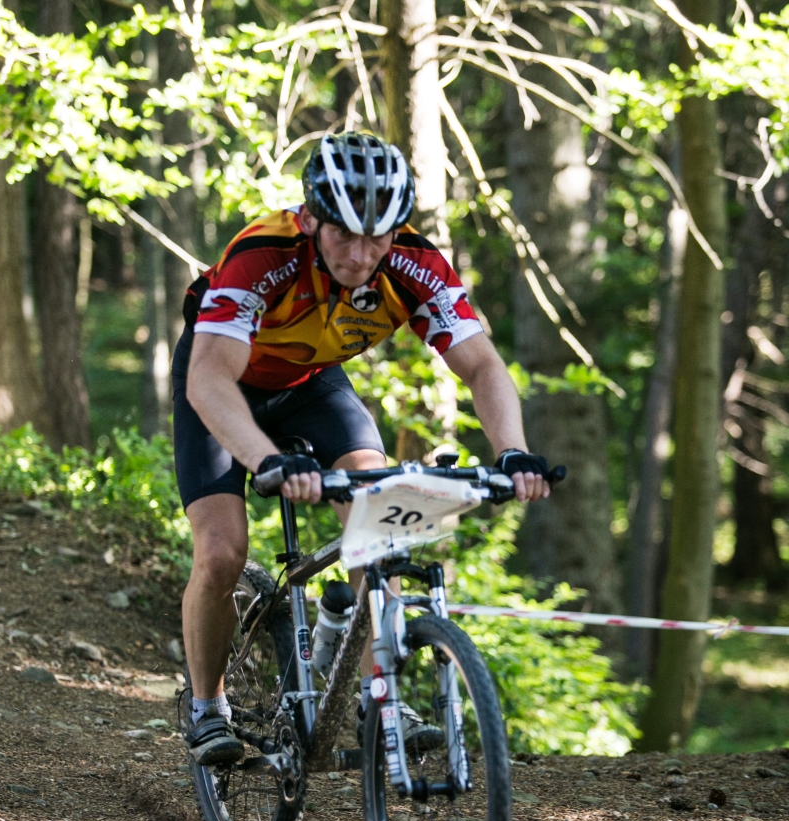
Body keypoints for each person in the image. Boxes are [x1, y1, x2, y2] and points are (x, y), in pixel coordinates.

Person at [172, 131, 550, 765]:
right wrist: (267, 459)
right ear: (311, 219)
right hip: (220, 385)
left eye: (377, 237)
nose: (360, 253)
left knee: (381, 513)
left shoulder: (414, 264)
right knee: (221, 551)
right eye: (344, 235)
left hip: (312, 384)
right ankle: (208, 706)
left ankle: (380, 688)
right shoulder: (263, 255)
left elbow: (482, 364)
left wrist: (512, 450)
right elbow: (209, 377)